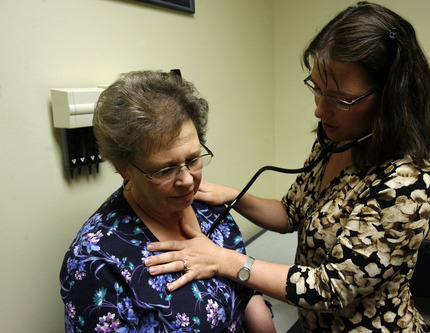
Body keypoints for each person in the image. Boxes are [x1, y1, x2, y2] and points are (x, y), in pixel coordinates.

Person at [144, 2, 430, 332]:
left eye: (339, 98)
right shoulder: (340, 140)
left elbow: (331, 288)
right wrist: (233, 196)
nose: (319, 110)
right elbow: (291, 213)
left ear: (390, 97)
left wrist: (225, 260)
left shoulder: (407, 184)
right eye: (317, 89)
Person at [59, 70, 275, 332]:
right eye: (164, 170)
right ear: (123, 167)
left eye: (193, 160)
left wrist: (261, 317)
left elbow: (241, 283)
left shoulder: (205, 205)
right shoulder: (97, 261)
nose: (187, 181)